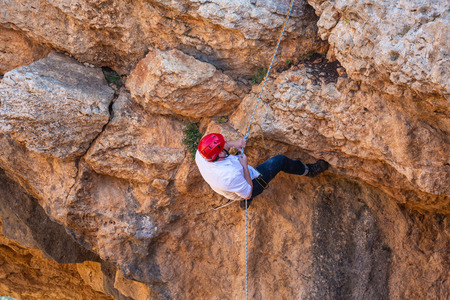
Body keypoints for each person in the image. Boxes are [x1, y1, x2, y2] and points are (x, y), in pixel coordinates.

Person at [195, 133, 330, 209]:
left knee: (240, 187)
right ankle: (309, 171)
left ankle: (241, 197)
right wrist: (244, 166)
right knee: (280, 161)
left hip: (232, 187)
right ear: (218, 155)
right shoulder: (229, 175)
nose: (225, 147)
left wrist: (235, 143)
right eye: (222, 149)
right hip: (251, 185)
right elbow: (248, 192)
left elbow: (220, 146)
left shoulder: (201, 154)